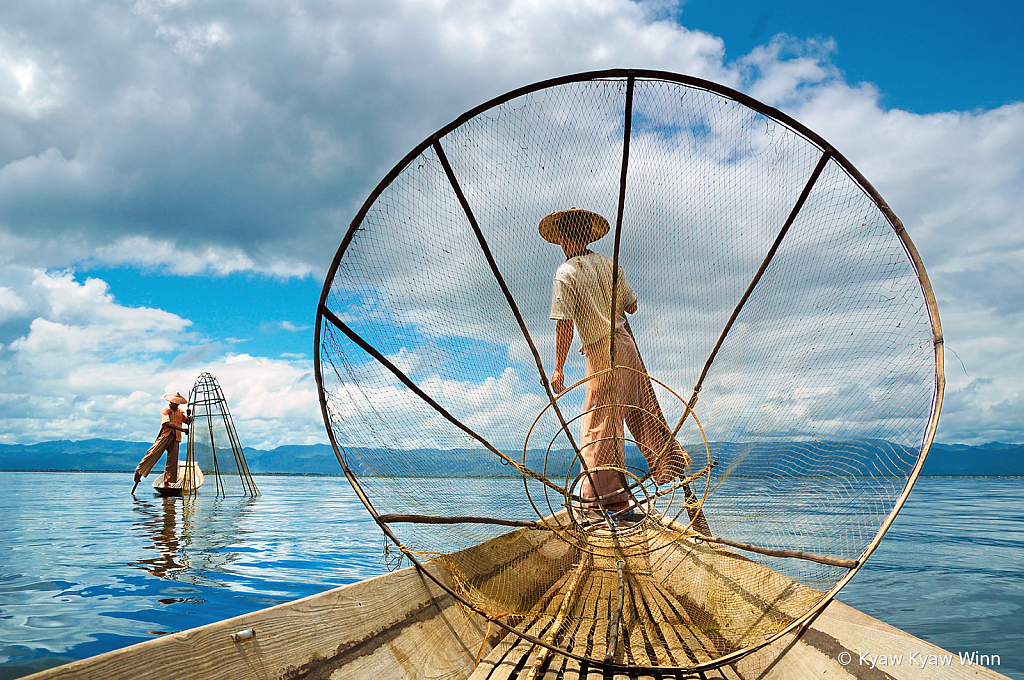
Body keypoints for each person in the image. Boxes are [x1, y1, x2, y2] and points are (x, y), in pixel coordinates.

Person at [543, 208, 689, 515]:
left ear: (567, 239)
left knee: (598, 424)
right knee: (638, 410)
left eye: (561, 239)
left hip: (601, 351)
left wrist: (557, 367)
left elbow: (565, 323)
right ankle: (646, 480)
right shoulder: (610, 265)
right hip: (625, 345)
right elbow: (632, 306)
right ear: (587, 236)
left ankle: (595, 502)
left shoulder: (566, 272)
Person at [133, 393, 191, 492]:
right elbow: (167, 424)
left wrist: (188, 414)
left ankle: (167, 482)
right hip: (165, 435)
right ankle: (139, 470)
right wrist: (182, 430)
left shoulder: (180, 412)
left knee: (172, 460)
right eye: (174, 404)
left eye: (177, 404)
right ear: (171, 402)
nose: (176, 406)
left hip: (175, 437)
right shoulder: (165, 411)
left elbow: (188, 421)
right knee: (153, 453)